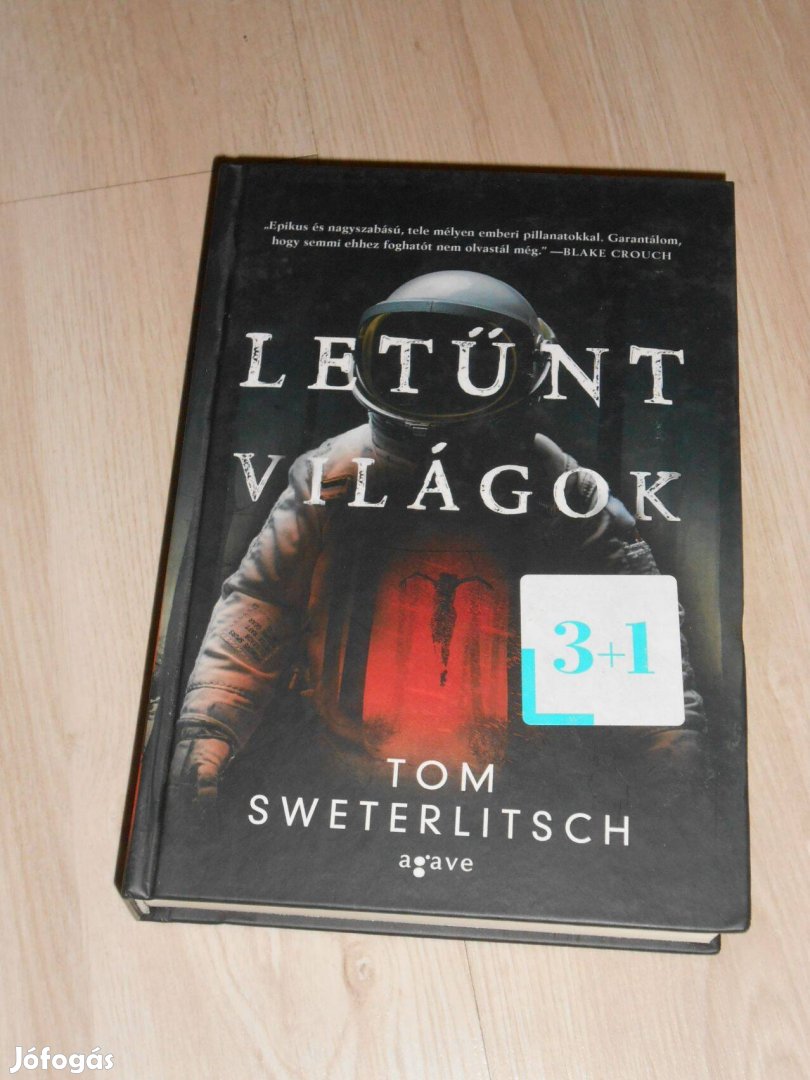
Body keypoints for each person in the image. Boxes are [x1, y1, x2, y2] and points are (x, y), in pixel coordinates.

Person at [170, 270, 705, 801]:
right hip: (348, 781)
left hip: (514, 792)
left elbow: (634, 639)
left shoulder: (562, 492)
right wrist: (208, 727)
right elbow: (263, 604)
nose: (436, 380)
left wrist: (672, 755)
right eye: (415, 360)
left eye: (469, 365)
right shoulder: (333, 477)